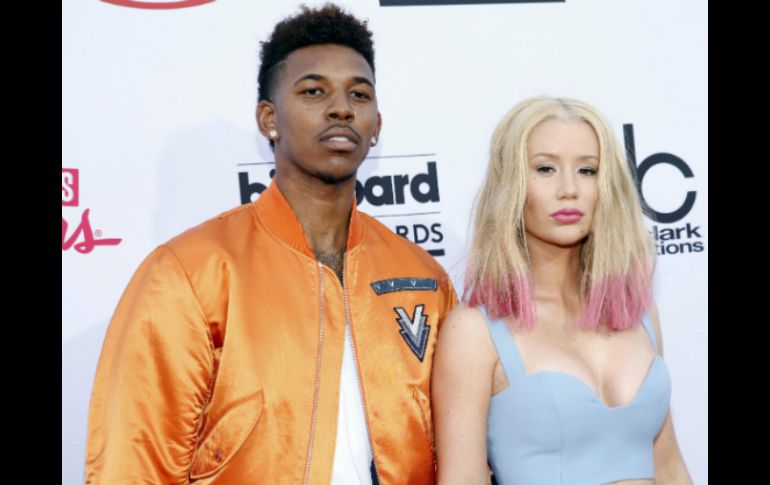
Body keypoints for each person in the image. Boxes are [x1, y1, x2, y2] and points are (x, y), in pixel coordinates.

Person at [85, 4, 456, 483]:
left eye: (359, 94)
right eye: (313, 91)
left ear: (376, 126)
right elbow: (135, 465)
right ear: (268, 118)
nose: (341, 108)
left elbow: (462, 453)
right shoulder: (191, 271)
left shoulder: (423, 277)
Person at [431, 96, 692, 485]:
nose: (569, 189)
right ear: (511, 184)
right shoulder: (475, 330)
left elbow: (668, 464)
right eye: (545, 168)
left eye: (588, 170)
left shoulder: (638, 311)